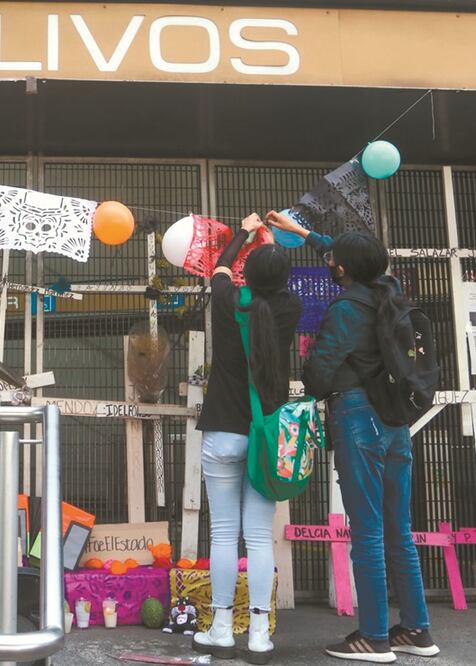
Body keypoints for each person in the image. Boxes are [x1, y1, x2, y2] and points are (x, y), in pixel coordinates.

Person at [266, 211, 439, 663]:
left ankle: (374, 636)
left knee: (366, 531)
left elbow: (320, 371)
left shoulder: (345, 309)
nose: (330, 263)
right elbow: (353, 258)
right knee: (399, 529)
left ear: (342, 268)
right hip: (395, 422)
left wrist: (312, 376)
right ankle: (416, 630)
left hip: (359, 417)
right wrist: (304, 233)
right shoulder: (390, 292)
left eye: (334, 260)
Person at [192, 214, 300, 664]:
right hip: (265, 437)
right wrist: (270, 241)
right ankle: (258, 633)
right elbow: (276, 282)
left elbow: (220, 267)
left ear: (246, 276)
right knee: (258, 539)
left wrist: (244, 232)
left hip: (222, 431)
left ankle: (220, 629)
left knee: (222, 534)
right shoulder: (290, 309)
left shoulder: (228, 301)